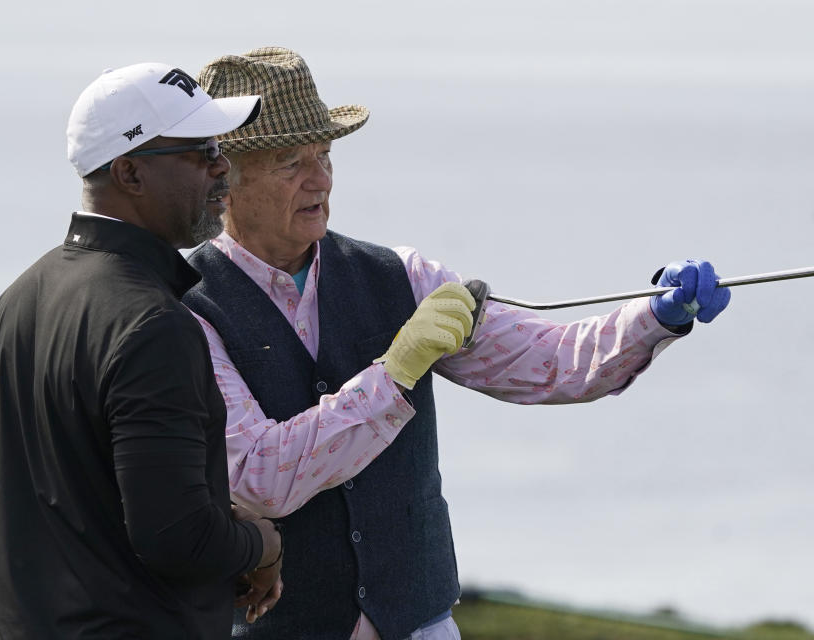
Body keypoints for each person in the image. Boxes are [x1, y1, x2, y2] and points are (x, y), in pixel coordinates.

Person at [181, 47, 732, 640]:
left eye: (326, 155)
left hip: (422, 625)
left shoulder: (405, 276)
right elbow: (260, 477)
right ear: (225, 180)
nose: (320, 180)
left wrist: (654, 318)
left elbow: (550, 362)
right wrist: (393, 374)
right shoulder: (184, 313)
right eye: (292, 162)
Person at [0, 62, 284, 640]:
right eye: (202, 151)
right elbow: (177, 539)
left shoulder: (17, 301)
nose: (224, 168)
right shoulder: (152, 325)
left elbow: (73, 500)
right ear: (129, 172)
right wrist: (260, 544)